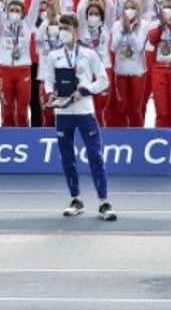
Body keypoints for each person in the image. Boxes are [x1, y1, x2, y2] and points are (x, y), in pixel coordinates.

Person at [44, 14, 116, 220]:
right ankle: (76, 199)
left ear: (76, 29)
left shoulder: (89, 53)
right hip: (63, 112)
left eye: (66, 27)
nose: (62, 32)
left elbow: (104, 81)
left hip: (85, 111)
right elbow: (48, 80)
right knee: (67, 157)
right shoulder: (53, 55)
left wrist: (84, 90)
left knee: (95, 155)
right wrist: (51, 95)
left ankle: (104, 202)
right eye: (60, 28)